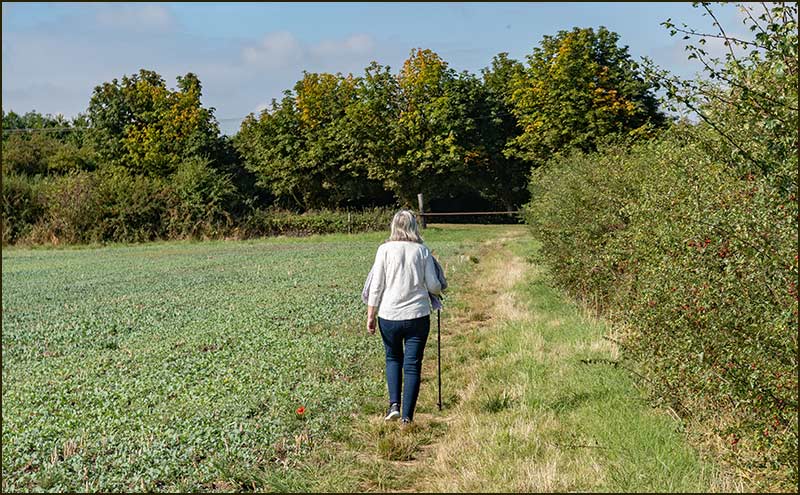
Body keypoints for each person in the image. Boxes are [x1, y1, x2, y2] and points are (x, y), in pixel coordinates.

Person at [364, 209, 444, 425]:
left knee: (392, 358)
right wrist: (438, 289)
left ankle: (394, 406)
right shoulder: (422, 251)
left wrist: (371, 315)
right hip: (417, 315)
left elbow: (376, 285)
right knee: (412, 364)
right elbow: (434, 286)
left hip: (389, 315)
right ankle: (407, 417)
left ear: (394, 227)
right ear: (413, 227)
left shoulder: (384, 250)